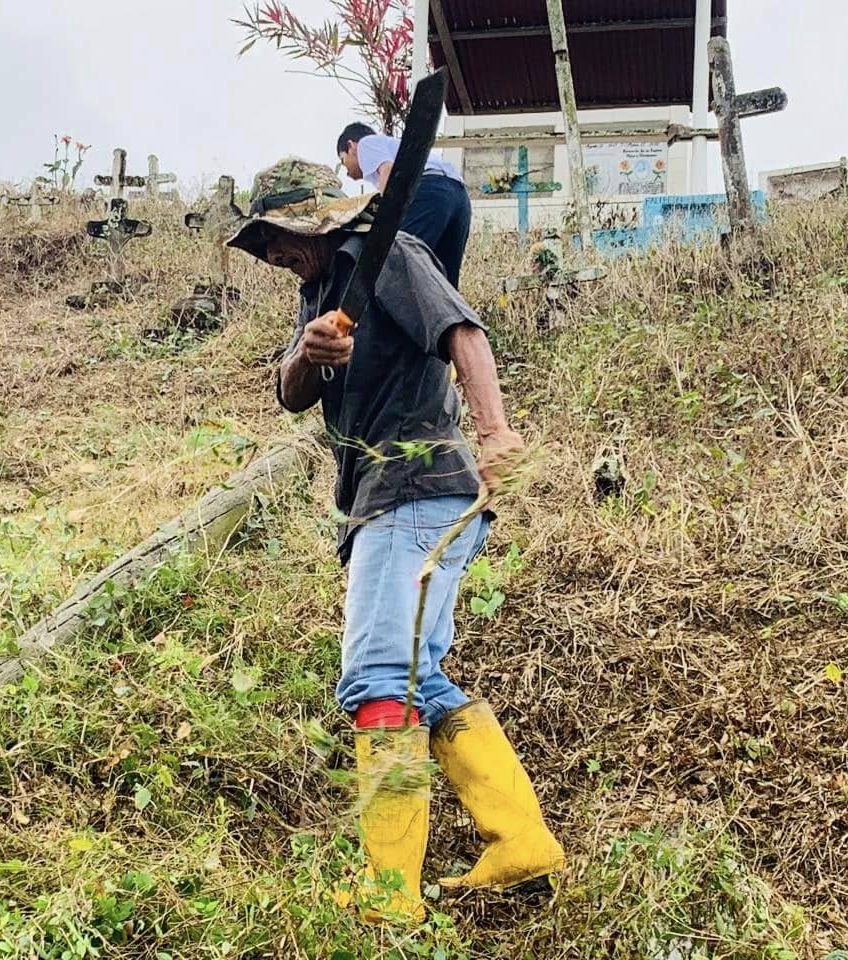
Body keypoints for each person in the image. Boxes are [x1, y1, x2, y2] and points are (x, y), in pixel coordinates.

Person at [227, 158, 563, 925]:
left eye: (278, 236)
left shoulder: (391, 253)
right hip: (389, 501)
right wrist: (308, 353)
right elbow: (290, 397)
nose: (272, 253)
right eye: (264, 242)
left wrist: (495, 432)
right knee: (418, 677)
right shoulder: (320, 289)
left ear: (318, 222)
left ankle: (389, 895)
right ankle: (521, 843)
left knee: (378, 677)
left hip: (413, 489)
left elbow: (463, 333)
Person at [336, 121, 471, 288]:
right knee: (445, 280)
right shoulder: (392, 147)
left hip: (430, 190)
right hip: (459, 195)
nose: (347, 173)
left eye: (343, 160)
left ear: (351, 146)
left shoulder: (366, 143)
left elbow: (387, 169)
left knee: (400, 262)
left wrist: (382, 221)